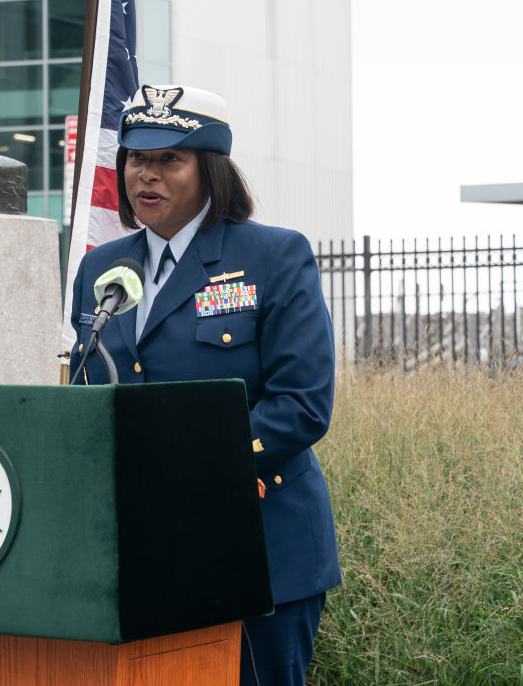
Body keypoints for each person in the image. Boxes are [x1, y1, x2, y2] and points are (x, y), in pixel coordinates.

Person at [68, 84, 340, 686]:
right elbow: (93, 397)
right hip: (144, 556)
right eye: (139, 158)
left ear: (210, 169)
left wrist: (195, 469)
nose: (149, 175)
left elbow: (302, 405)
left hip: (260, 550)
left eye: (171, 159)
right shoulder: (99, 268)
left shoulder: (273, 256)